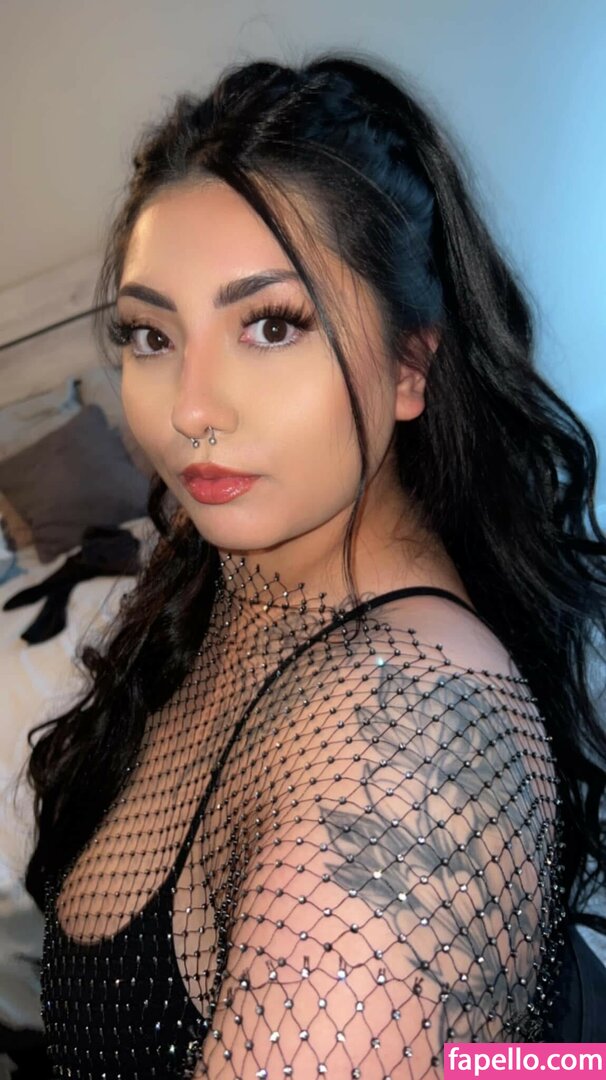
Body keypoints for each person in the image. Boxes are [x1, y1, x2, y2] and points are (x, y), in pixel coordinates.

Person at [25, 55, 606, 1078]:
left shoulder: (411, 756)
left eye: (271, 325)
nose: (190, 409)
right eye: (151, 335)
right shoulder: (225, 566)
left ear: (411, 365)